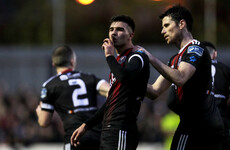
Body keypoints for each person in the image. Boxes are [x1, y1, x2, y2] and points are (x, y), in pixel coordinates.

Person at [142, 5, 225, 150]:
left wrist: (149, 57)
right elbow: (154, 91)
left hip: (197, 124)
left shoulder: (195, 48)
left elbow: (180, 78)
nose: (163, 31)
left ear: (181, 24)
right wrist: (129, 82)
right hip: (198, 123)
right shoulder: (175, 59)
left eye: (167, 25)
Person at [70, 15, 150, 150]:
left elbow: (124, 77)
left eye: (120, 29)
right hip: (109, 128)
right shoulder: (118, 62)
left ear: (131, 35)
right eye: (111, 29)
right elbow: (111, 100)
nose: (114, 33)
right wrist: (87, 125)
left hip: (122, 127)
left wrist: (109, 56)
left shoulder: (137, 57)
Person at [36, 45, 110, 150]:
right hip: (97, 138)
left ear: (53, 64)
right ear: (72, 62)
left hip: (74, 138)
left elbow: (44, 122)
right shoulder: (90, 78)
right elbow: (112, 92)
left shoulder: (50, 85)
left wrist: (39, 113)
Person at [202, 41, 230, 150]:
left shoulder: (193, 69)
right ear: (215, 54)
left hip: (202, 119)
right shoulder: (225, 69)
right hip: (222, 118)